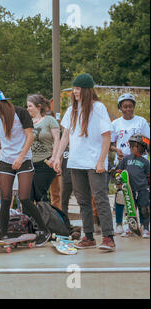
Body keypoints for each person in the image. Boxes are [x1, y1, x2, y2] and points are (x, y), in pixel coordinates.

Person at [53, 73, 115, 251]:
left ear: (87, 90)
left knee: (100, 198)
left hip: (95, 162)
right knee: (82, 201)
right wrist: (57, 157)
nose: (75, 92)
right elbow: (65, 136)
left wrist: (102, 161)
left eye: (78, 88)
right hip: (76, 162)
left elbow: (106, 137)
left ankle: (108, 237)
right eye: (74, 88)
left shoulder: (99, 108)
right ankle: (88, 237)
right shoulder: (72, 109)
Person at [0, 90, 51, 246]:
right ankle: (4, 234)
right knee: (5, 199)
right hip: (6, 162)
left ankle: (44, 230)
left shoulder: (20, 113)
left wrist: (20, 157)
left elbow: (30, 136)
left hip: (24, 160)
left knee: (24, 198)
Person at [110, 93, 150, 234]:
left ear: (134, 107)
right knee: (123, 195)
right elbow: (109, 143)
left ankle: (143, 226)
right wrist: (117, 150)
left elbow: (148, 141)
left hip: (139, 163)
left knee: (141, 197)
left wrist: (142, 150)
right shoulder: (115, 124)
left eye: (131, 106)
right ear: (120, 107)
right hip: (123, 163)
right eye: (125, 106)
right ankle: (121, 224)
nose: (128, 109)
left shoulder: (141, 122)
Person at [26, 94, 61, 203]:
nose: (28, 109)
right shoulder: (27, 122)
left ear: (38, 106)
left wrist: (55, 157)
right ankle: (29, 219)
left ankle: (46, 219)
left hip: (45, 161)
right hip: (30, 163)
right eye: (27, 106)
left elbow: (57, 139)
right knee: (28, 196)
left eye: (30, 106)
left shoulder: (49, 120)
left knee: (40, 194)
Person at [115, 134, 150, 238]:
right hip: (129, 189)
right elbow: (118, 171)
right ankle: (131, 228)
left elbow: (148, 176)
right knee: (130, 209)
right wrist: (118, 178)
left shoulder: (145, 162)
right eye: (130, 146)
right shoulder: (125, 159)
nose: (130, 148)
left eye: (133, 146)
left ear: (141, 147)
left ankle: (145, 228)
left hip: (143, 189)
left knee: (144, 209)